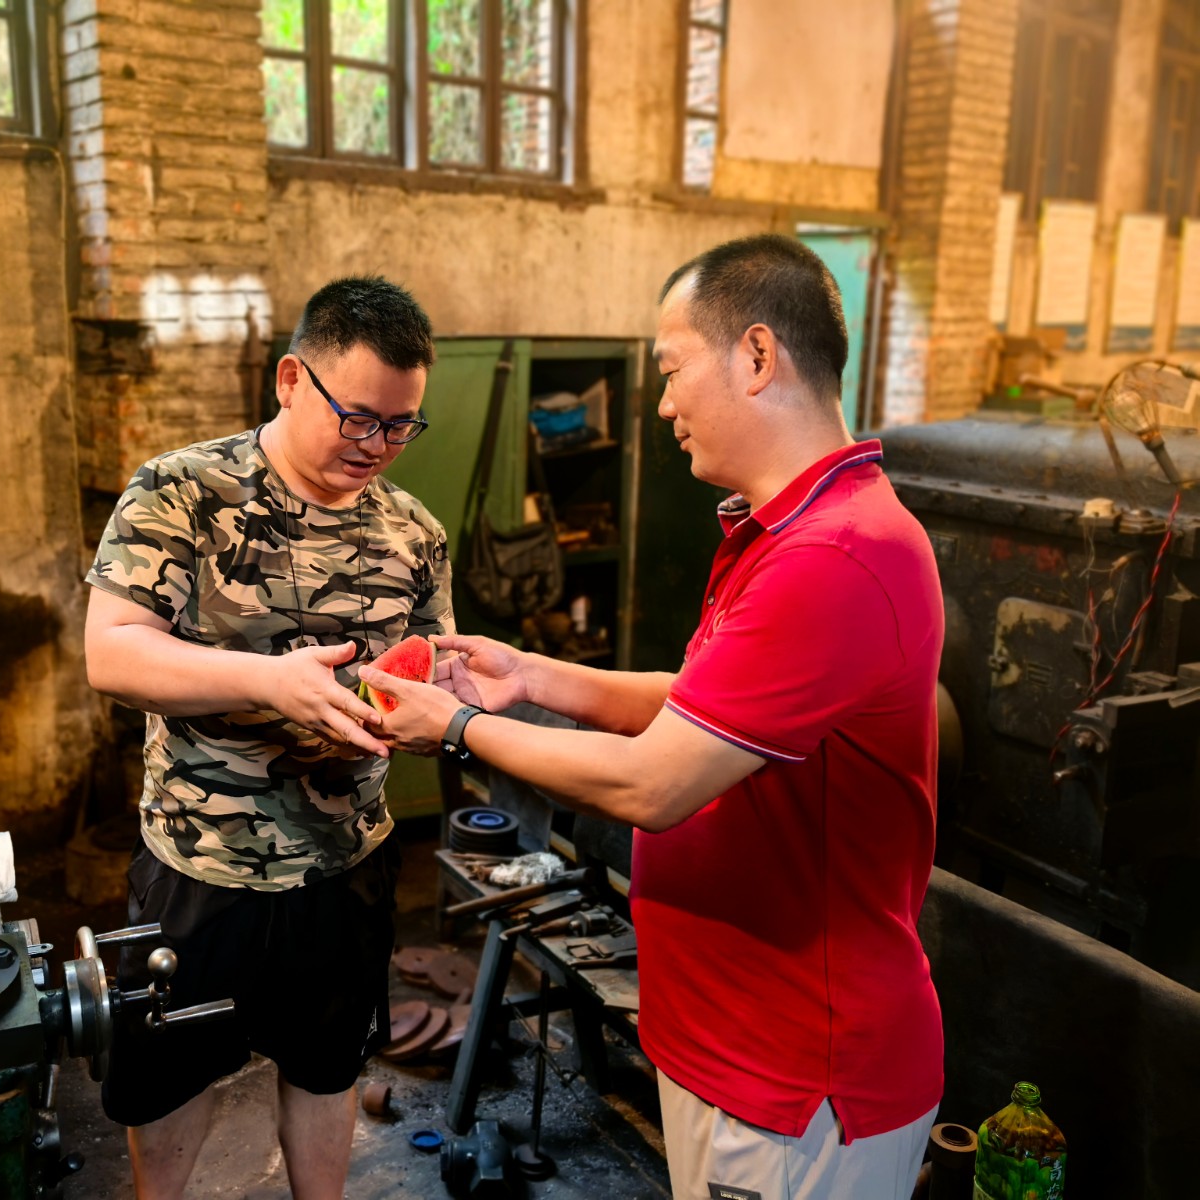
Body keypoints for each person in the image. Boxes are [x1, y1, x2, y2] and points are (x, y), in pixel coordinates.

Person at [366, 234, 944, 1200]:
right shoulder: (789, 532)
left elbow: (656, 783)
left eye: (673, 371)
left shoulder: (834, 555)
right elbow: (699, 704)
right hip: (727, 1034)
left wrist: (454, 729)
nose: (664, 404)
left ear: (756, 356)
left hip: (797, 1067)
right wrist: (531, 677)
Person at [81, 275, 451, 1199]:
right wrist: (268, 680)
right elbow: (113, 653)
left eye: (401, 426)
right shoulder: (181, 493)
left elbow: (431, 669)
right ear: (292, 380)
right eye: (358, 418)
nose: (376, 446)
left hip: (345, 861)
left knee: (328, 1065)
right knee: (170, 1076)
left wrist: (427, 718)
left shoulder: (414, 533)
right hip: (202, 862)